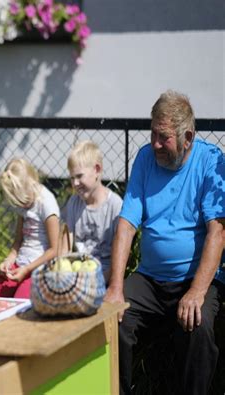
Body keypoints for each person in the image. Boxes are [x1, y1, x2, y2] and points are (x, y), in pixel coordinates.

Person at [104, 90, 225, 395]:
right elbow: (127, 224)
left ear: (188, 136)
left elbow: (218, 232)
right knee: (111, 319)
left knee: (198, 328)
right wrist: (116, 287)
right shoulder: (146, 158)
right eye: (153, 134)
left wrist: (197, 291)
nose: (155, 144)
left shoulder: (211, 163)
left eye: (164, 137)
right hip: (149, 279)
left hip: (194, 279)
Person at [0, 158, 60, 299]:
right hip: (21, 264)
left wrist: (27, 269)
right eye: (17, 202)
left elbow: (55, 250)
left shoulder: (46, 204)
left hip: (39, 268)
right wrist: (9, 260)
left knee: (20, 302)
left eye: (22, 200)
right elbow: (18, 242)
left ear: (32, 182)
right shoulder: (23, 204)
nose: (21, 205)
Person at [61, 140, 122, 282]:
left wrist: (99, 281)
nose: (75, 183)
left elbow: (119, 259)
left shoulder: (115, 205)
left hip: (105, 278)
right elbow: (65, 248)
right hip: (78, 275)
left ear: (97, 170)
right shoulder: (73, 203)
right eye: (72, 178)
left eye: (79, 176)